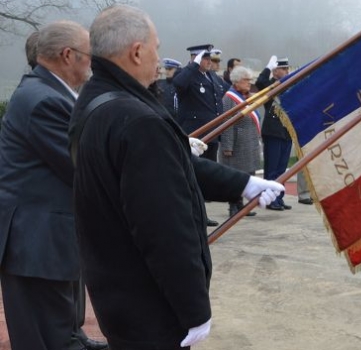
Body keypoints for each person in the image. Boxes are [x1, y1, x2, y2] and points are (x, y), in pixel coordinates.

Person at [69, 5, 284, 349]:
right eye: (155, 46)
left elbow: (173, 165)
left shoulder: (96, 102)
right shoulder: (138, 120)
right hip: (149, 302)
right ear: (136, 52)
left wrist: (244, 184)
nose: (159, 56)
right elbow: (165, 228)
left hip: (116, 290)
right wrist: (194, 309)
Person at [0, 20, 108, 350]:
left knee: (61, 326)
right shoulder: (43, 100)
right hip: (36, 244)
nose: (93, 64)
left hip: (49, 238)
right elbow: (83, 168)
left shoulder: (50, 92)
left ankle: (75, 338)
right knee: (45, 338)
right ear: (67, 55)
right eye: (90, 56)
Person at [173, 44, 227, 226]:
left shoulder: (211, 76)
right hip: (196, 135)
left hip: (211, 134)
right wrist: (192, 66)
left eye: (209, 59)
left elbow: (221, 96)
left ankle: (202, 215)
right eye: (205, 59)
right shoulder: (188, 75)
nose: (209, 62)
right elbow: (178, 84)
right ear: (195, 58)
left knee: (204, 175)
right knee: (192, 174)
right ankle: (192, 215)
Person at [220, 65, 262, 217]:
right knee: (235, 177)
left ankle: (241, 206)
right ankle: (233, 207)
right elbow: (226, 124)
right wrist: (227, 146)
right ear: (236, 82)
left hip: (249, 143)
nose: (249, 83)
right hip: (237, 144)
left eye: (250, 80)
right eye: (246, 80)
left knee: (247, 176)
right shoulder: (229, 98)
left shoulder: (246, 97)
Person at [256, 56, 293, 210]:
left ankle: (279, 197)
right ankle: (270, 199)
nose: (286, 71)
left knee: (281, 169)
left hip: (286, 131)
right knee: (271, 168)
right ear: (275, 71)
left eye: (286, 69)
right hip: (273, 131)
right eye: (283, 69)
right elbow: (259, 82)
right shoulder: (269, 85)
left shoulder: (289, 84)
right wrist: (267, 68)